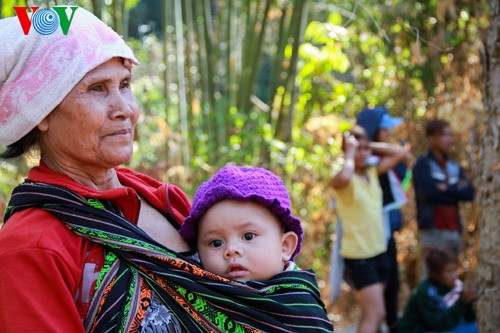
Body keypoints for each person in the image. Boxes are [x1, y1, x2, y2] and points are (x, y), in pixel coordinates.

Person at [0, 9, 333, 333]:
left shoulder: (161, 198)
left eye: (125, 84)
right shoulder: (29, 248)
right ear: (39, 111)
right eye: (97, 89)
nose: (126, 110)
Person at [331, 125, 408, 333]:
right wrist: (350, 151)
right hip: (359, 256)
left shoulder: (372, 171)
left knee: (369, 313)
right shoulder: (342, 178)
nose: (363, 153)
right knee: (377, 313)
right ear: (347, 151)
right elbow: (345, 177)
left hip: (379, 250)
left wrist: (367, 144)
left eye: (366, 149)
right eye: (358, 149)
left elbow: (401, 153)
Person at [356, 106, 413, 333]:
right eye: (384, 129)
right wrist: (367, 143)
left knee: (391, 285)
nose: (389, 134)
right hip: (370, 236)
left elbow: (405, 158)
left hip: (385, 232)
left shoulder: (378, 158)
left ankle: (391, 325)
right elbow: (401, 153)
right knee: (377, 294)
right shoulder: (366, 165)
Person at [412, 120, 475, 271]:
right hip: (433, 231)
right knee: (431, 276)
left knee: (451, 275)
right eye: (443, 135)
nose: (449, 139)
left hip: (454, 230)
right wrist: (454, 189)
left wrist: (445, 188)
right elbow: (430, 193)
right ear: (431, 138)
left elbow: (469, 193)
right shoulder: (423, 165)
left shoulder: (453, 167)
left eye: (450, 135)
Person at [399, 248, 478, 333]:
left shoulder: (455, 286)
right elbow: (440, 325)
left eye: (455, 270)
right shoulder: (425, 292)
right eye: (449, 271)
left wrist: (469, 302)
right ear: (436, 273)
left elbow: (468, 318)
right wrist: (462, 302)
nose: (455, 275)